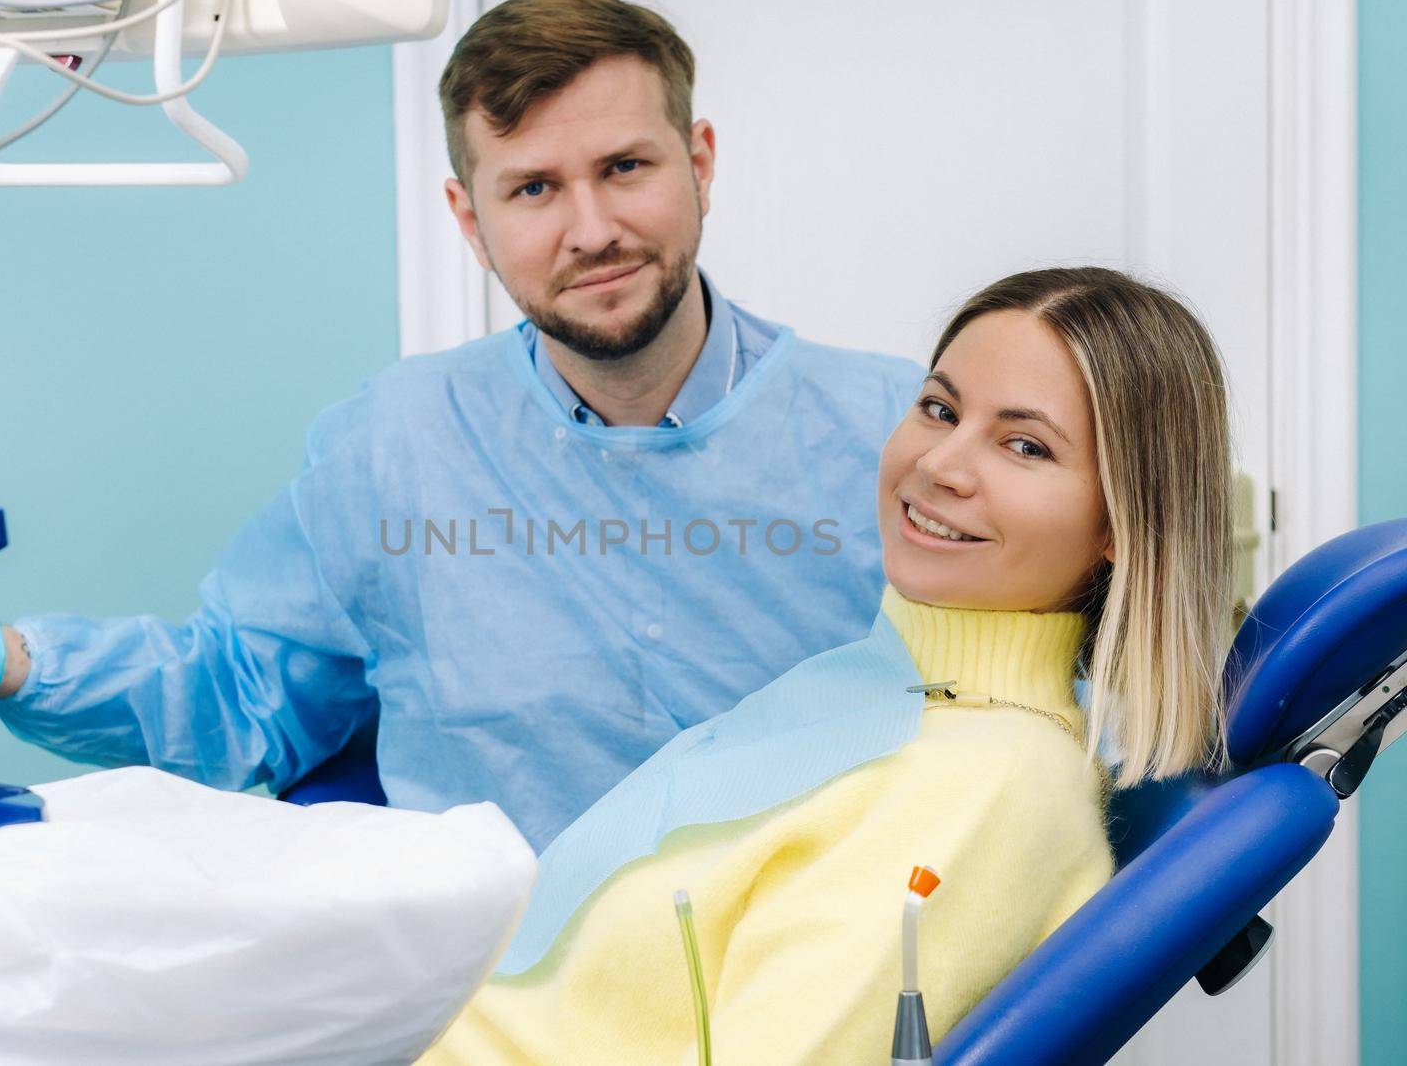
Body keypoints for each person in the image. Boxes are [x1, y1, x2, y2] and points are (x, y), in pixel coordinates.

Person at [0, 0, 921, 851]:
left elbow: (1003, 735)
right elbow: (240, 697)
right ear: (469, 221)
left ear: (701, 165)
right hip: (499, 1013)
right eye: (533, 189)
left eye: (624, 168)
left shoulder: (894, 440)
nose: (592, 228)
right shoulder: (397, 447)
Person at [417, 266, 1235, 1065]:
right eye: (939, 408)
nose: (942, 464)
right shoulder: (892, 691)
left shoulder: (986, 784)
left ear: (1121, 524)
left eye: (1024, 445)